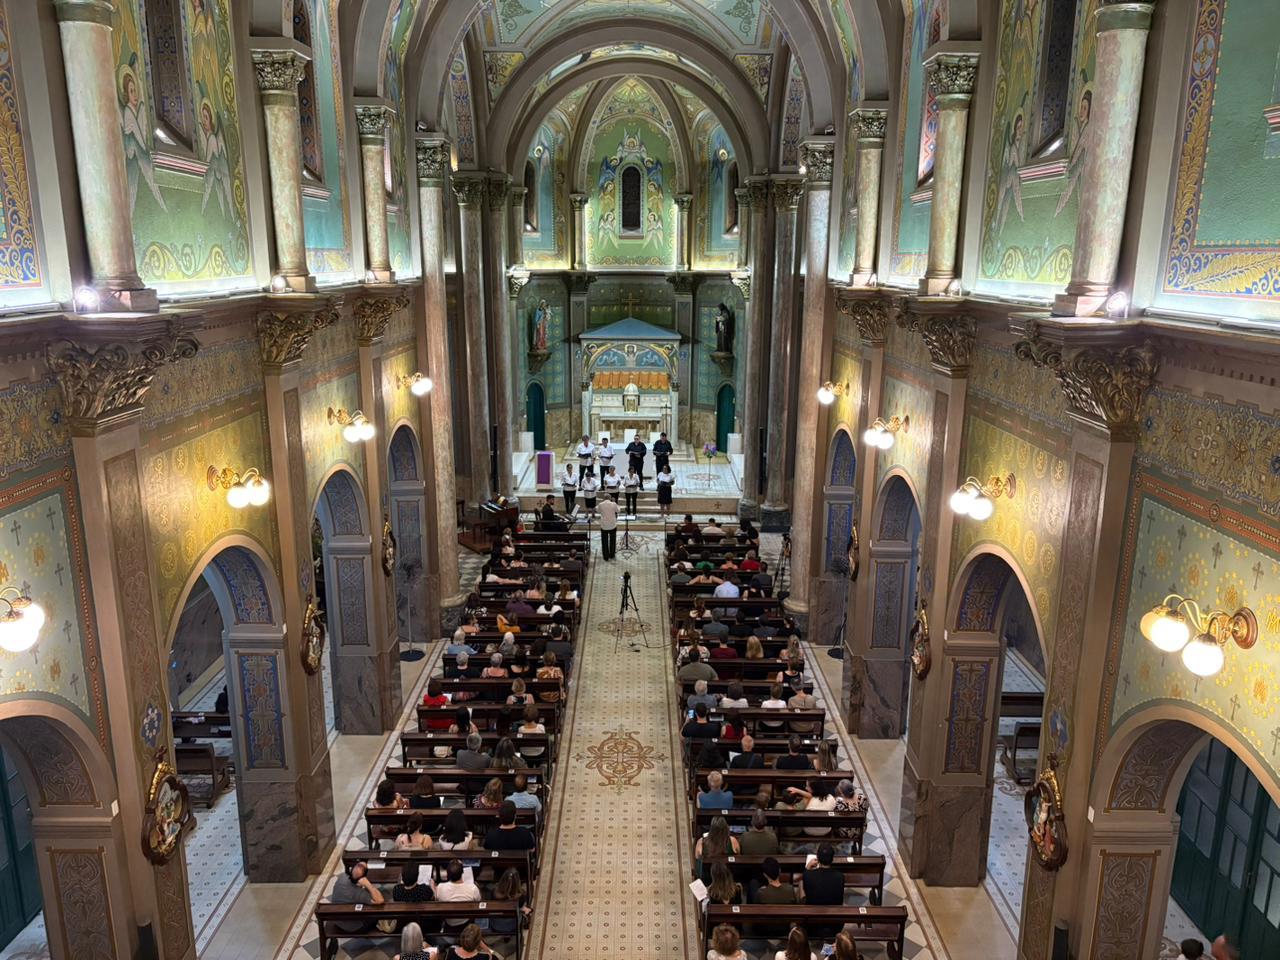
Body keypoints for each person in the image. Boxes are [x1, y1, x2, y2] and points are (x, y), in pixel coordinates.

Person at [802, 844, 846, 938]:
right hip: (834, 924)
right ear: (832, 859)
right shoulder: (840, 876)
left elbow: (805, 892)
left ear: (817, 858)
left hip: (812, 923)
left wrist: (807, 869)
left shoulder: (807, 875)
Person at [329, 861, 384, 932]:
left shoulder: (342, 877)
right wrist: (368, 884)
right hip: (353, 926)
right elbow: (380, 900)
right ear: (363, 878)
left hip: (337, 919)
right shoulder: (358, 893)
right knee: (377, 911)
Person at [598, 495, 619, 560]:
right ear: (610, 498)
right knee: (612, 540)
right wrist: (615, 502)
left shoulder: (600, 504)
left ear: (604, 498)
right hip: (612, 525)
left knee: (604, 541)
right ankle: (612, 555)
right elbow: (618, 510)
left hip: (604, 525)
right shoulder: (613, 504)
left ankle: (606, 556)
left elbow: (598, 511)